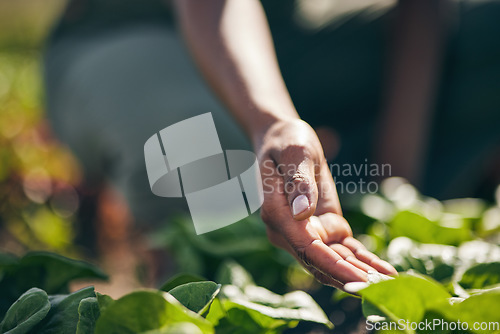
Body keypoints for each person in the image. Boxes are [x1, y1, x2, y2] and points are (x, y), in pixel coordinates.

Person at [44, 0, 500, 289]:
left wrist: (396, 178)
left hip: (275, 38)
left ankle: (321, 188)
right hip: (132, 28)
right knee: (202, 157)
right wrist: (275, 124)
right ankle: (202, 273)